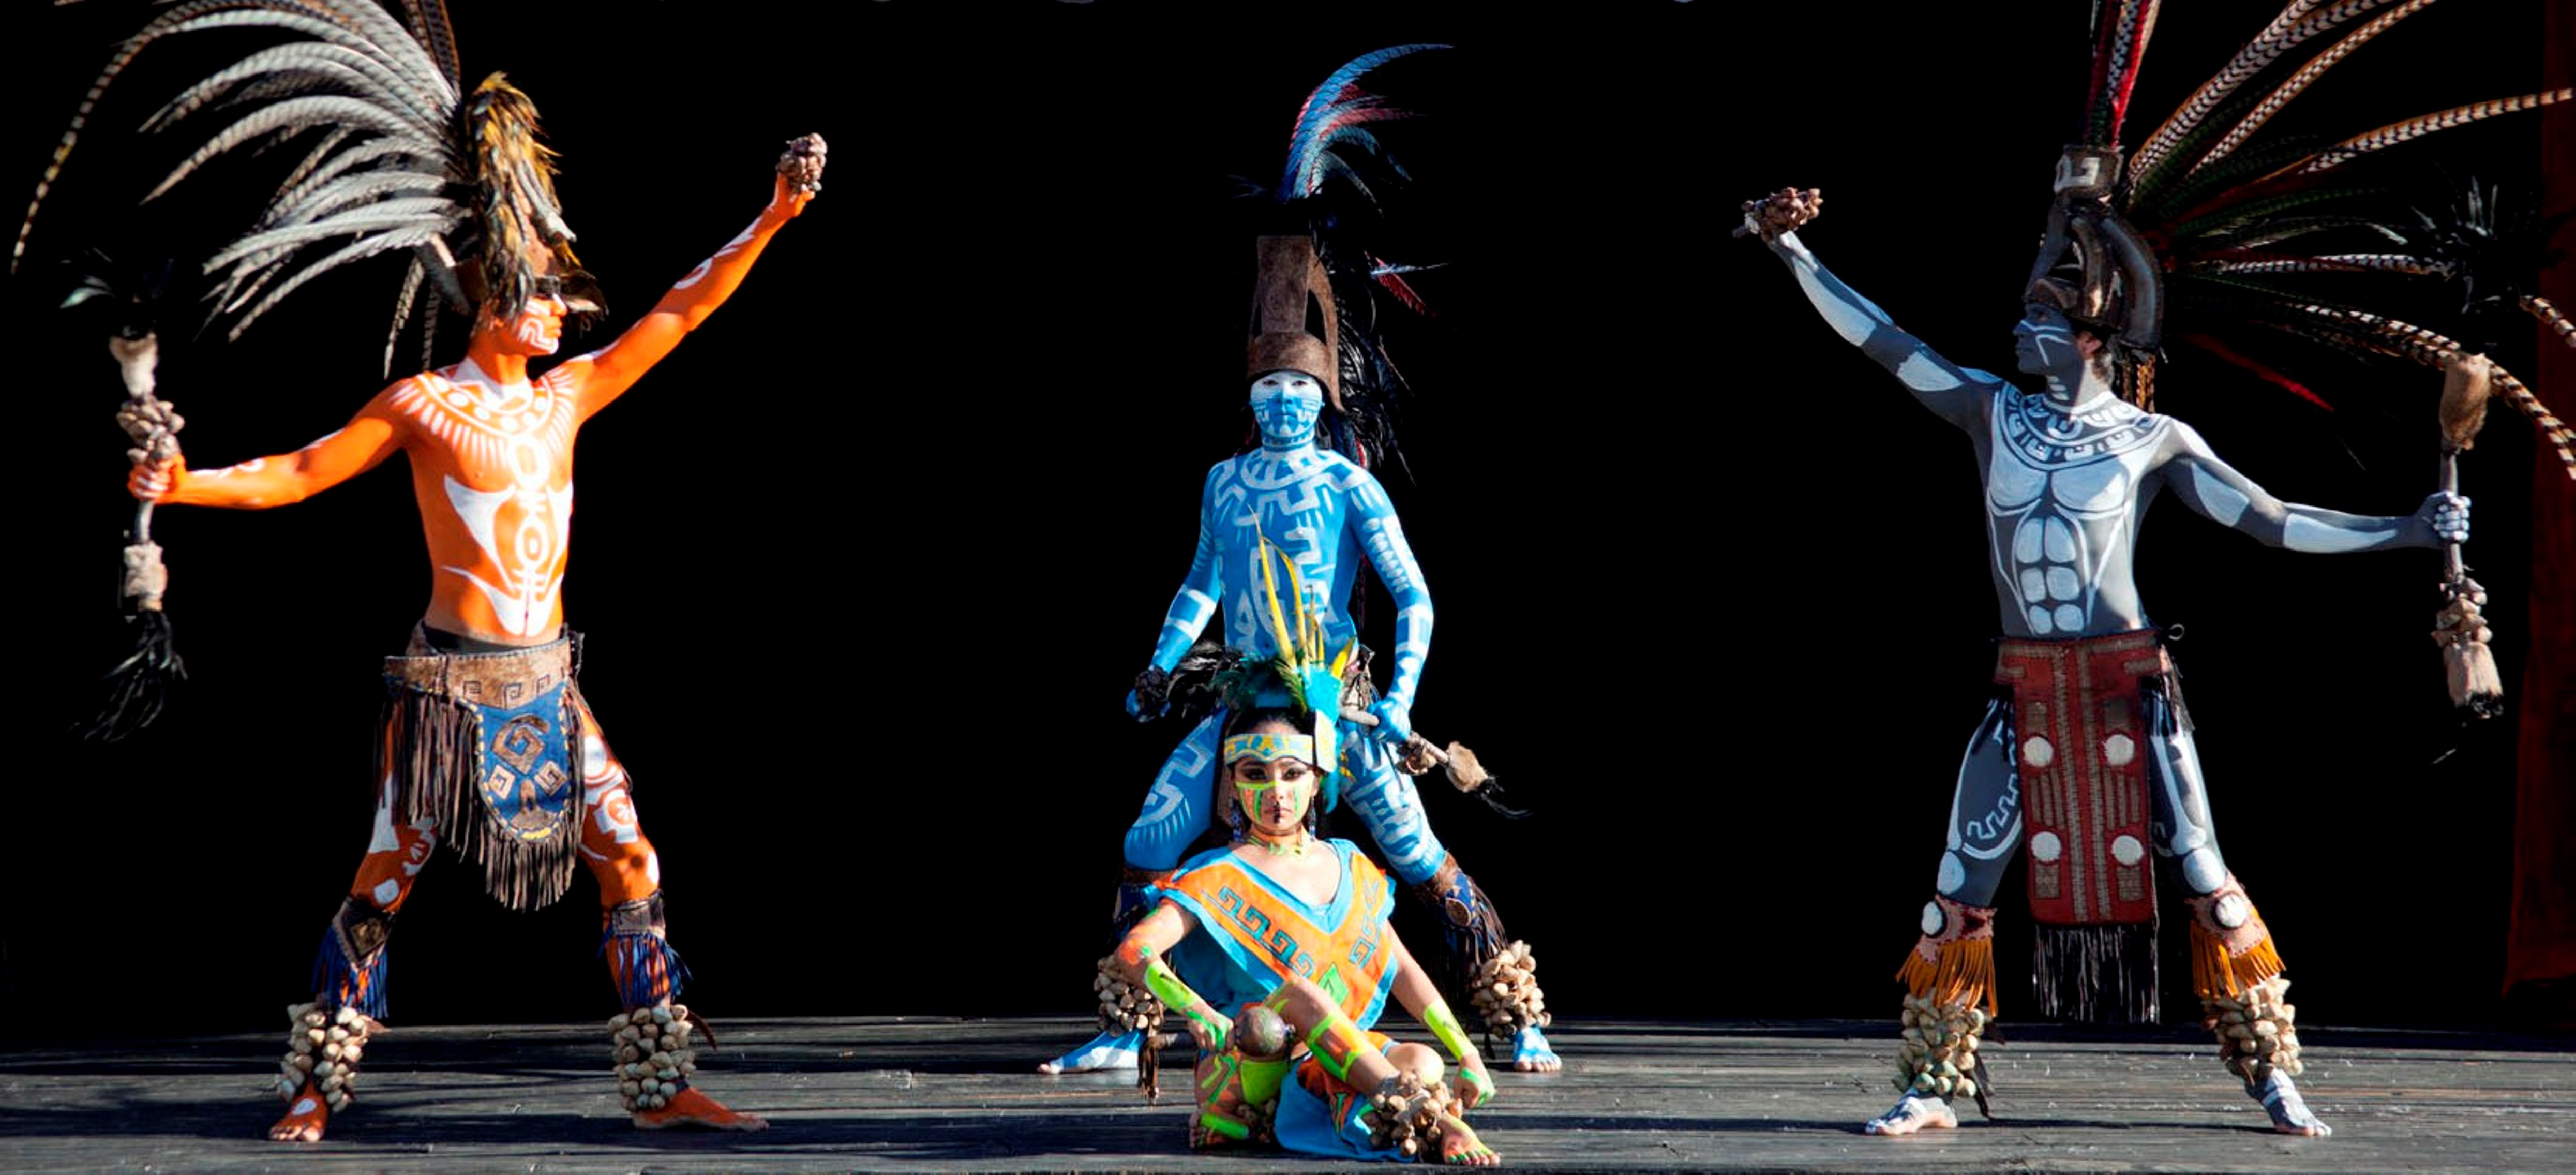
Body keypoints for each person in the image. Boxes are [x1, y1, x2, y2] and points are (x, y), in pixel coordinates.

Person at [1743, 190, 2468, 1139]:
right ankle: (1932, 1083)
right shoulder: (1992, 412)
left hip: (2130, 690)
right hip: (2027, 686)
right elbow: (1885, 341)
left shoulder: (2154, 441)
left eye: (2040, 318)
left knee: (2205, 873)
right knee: (1961, 879)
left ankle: (2272, 1075)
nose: (2020, 329)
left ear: (2093, 339)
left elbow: (2275, 520)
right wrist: (1793, 252)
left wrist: (2408, 530)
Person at [129, 155, 815, 1140]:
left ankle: (661, 1087)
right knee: (385, 880)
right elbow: (301, 472)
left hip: (549, 685)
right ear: (492, 304)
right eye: (546, 296)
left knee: (631, 858)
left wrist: (773, 217)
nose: (564, 313)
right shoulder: (423, 405)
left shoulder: (567, 394)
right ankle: (316, 1084)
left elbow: (681, 310)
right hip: (450, 691)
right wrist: (183, 485)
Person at [1042, 234, 1560, 1077]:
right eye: (1269, 388)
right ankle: (1129, 1027)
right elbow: (1202, 583)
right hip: (1244, 699)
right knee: (1151, 835)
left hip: (1334, 702)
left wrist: (1397, 700)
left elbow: (1414, 596)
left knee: (1415, 849)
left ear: (1323, 398)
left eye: (1298, 388)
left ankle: (1515, 1014)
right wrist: (1161, 663)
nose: (1283, 402)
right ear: (1252, 398)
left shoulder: (1349, 485)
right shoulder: (1224, 480)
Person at [1114, 704, 1501, 1165]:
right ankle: (1424, 1117)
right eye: (1255, 774)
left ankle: (1356, 1113)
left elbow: (1401, 967)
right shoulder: (1215, 873)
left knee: (1425, 1061)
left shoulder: (1350, 863)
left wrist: (1466, 1053)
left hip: (1331, 1057)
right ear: (1232, 783)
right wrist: (1195, 1009)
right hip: (1250, 1064)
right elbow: (1135, 949)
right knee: (1299, 993)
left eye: (1292, 773)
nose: (1276, 791)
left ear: (1317, 779)